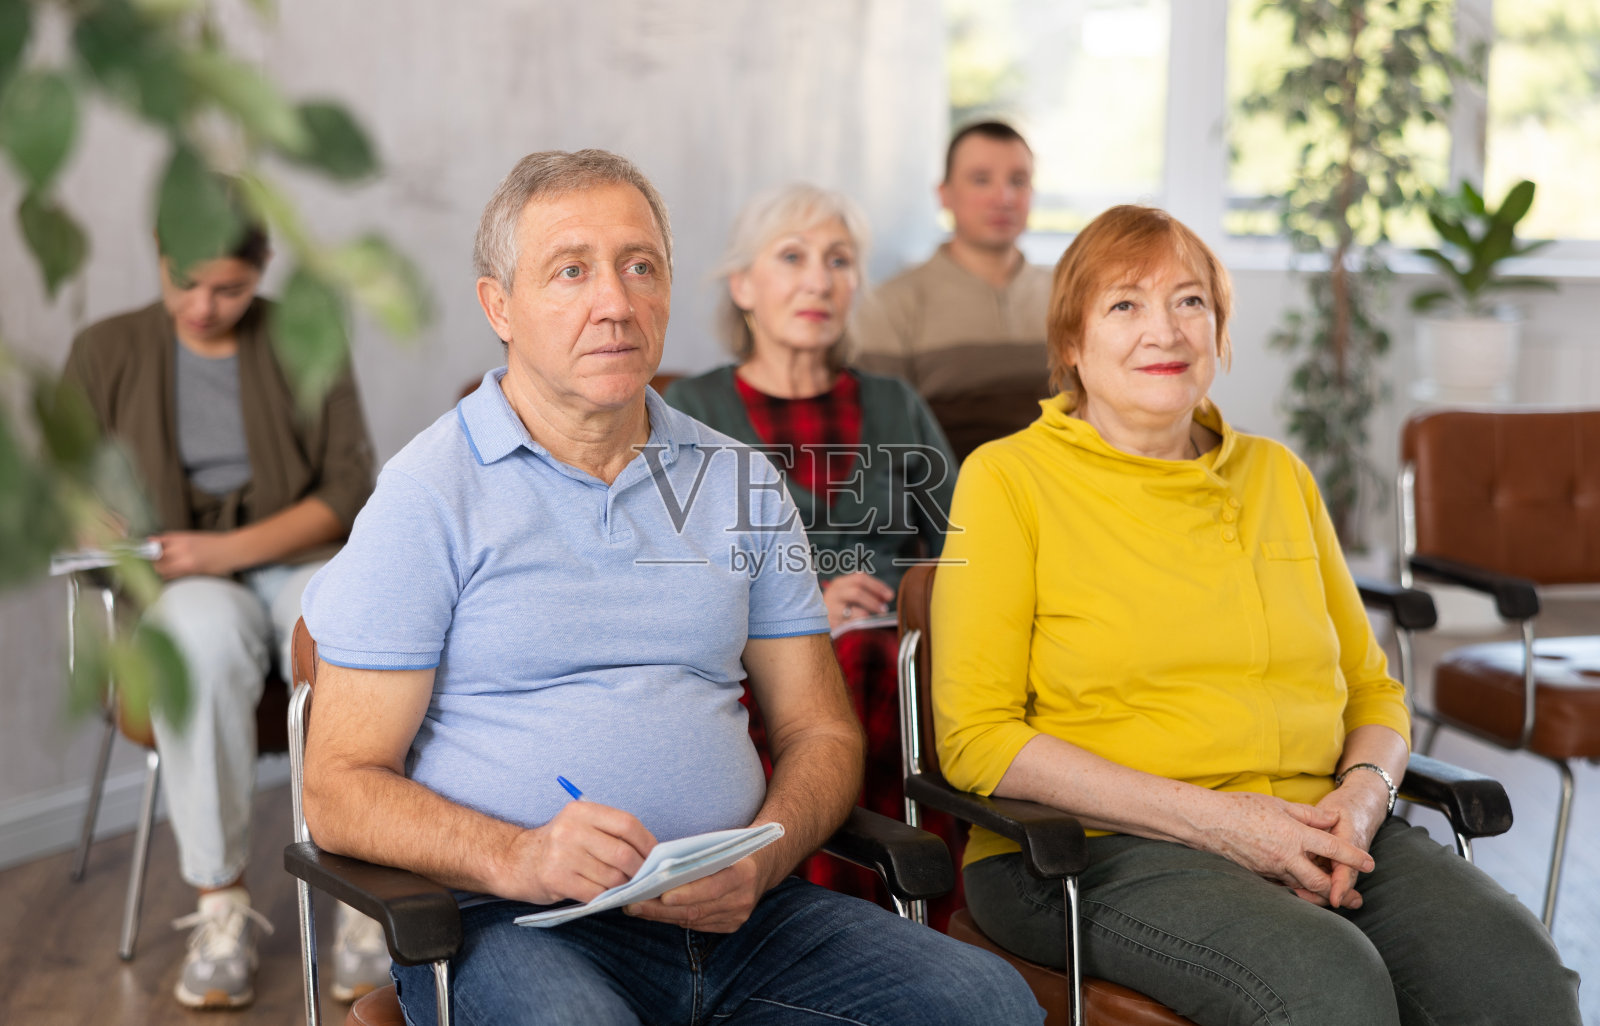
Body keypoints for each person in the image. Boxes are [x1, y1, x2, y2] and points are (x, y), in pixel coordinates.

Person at [298, 149, 1042, 1026]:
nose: (613, 302)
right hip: (518, 922)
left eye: (638, 266)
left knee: (988, 1002)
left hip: (746, 916)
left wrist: (764, 858)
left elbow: (820, 730)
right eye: (570, 271)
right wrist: (520, 857)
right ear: (498, 305)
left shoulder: (739, 481)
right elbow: (337, 787)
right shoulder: (429, 493)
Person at [931, 204, 1583, 1026]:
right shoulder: (1007, 481)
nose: (1163, 330)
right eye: (1124, 304)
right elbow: (975, 739)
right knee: (1326, 989)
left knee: (1521, 986)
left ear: (1220, 330)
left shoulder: (1278, 475)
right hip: (1092, 850)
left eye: (1190, 301)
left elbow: (1373, 693)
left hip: (1323, 822)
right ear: (1071, 344)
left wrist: (1361, 799)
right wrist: (1225, 824)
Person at [60, 196, 388, 1008]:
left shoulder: (302, 336)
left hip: (293, 553)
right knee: (198, 643)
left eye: (230, 290)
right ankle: (221, 908)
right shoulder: (104, 349)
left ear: (262, 275)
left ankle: (361, 902)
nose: (203, 307)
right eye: (187, 282)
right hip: (173, 581)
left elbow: (349, 486)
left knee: (346, 631)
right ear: (160, 255)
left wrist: (225, 550)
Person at [664, 183, 959, 917]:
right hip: (761, 656)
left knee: (886, 661)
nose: (818, 280)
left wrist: (898, 597)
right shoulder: (691, 412)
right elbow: (674, 569)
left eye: (839, 260)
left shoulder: (895, 403)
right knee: (838, 664)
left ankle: (924, 905)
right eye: (792, 257)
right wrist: (803, 607)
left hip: (901, 646)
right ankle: (838, 907)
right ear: (743, 286)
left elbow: (960, 548)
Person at [852, 121, 1052, 457]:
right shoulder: (890, 305)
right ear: (944, 195)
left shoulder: (1075, 295)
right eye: (981, 179)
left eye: (1018, 181)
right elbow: (884, 446)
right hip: (948, 501)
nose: (1003, 198)